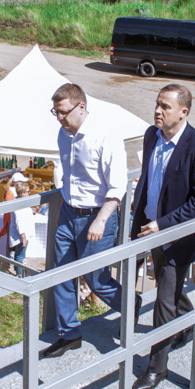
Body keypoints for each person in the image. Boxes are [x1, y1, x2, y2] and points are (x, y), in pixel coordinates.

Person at [130, 84, 195, 389]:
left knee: (164, 300)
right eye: (157, 103)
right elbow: (148, 180)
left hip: (177, 236)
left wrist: (163, 224)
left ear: (183, 112)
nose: (157, 110)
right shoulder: (151, 135)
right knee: (171, 289)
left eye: (165, 106)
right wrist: (139, 219)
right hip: (151, 229)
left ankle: (157, 368)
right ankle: (187, 322)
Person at [42, 83, 131, 359]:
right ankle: (69, 333)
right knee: (61, 273)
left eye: (63, 112)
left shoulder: (105, 136)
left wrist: (101, 220)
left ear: (81, 107)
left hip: (97, 215)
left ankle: (130, 304)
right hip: (69, 213)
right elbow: (70, 177)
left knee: (96, 279)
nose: (59, 118)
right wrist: (64, 207)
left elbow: (118, 186)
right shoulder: (63, 134)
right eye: (55, 113)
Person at [8, 172, 35, 277]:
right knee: (20, 256)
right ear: (22, 193)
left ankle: (17, 270)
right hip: (21, 236)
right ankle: (20, 274)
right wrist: (23, 238)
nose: (29, 193)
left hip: (21, 235)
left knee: (18, 254)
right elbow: (20, 224)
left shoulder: (21, 203)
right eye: (27, 192)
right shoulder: (20, 206)